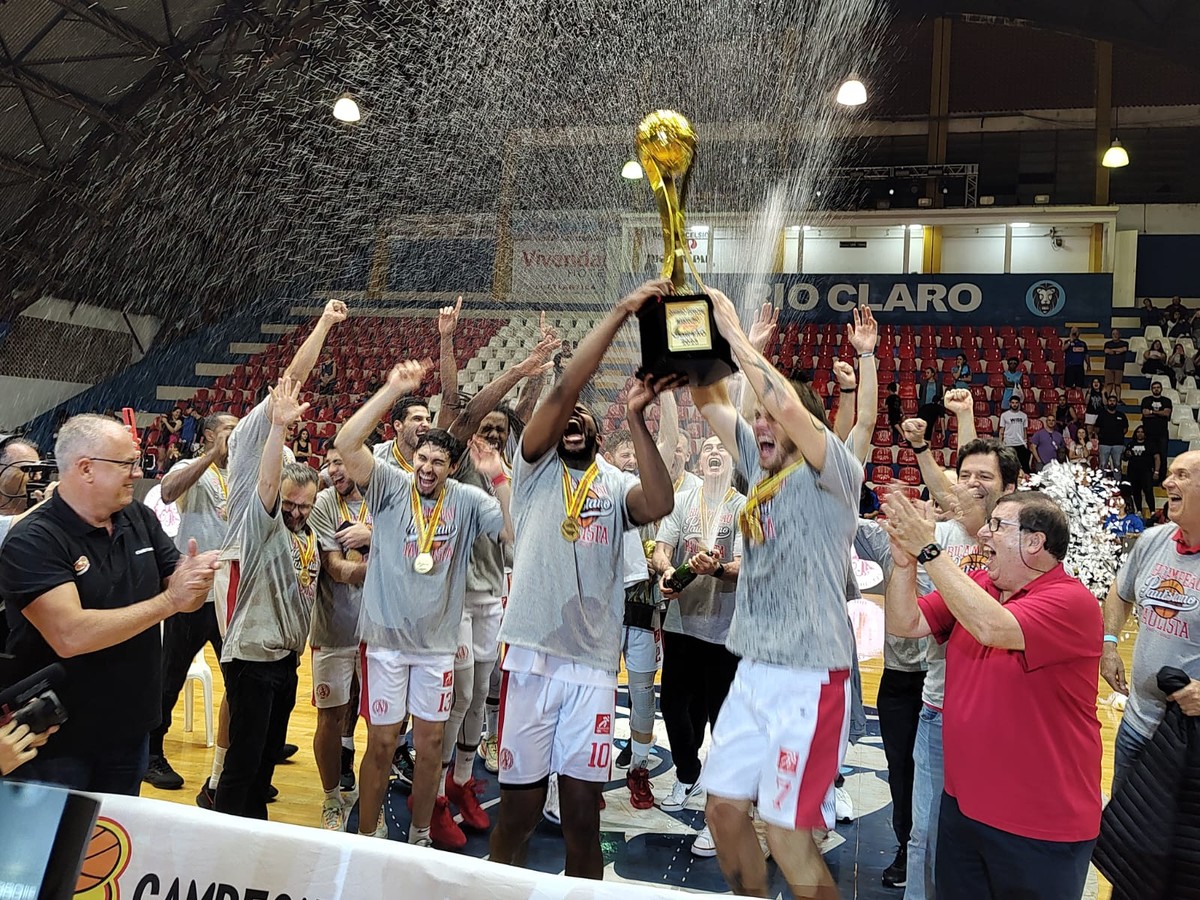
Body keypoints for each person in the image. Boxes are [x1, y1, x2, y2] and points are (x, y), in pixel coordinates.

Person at [488, 279, 676, 879]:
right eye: (568, 413)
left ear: (598, 434)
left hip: (593, 664)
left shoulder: (615, 486)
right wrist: (621, 311)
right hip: (531, 657)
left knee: (582, 821)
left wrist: (641, 422)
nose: (573, 419)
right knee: (515, 814)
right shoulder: (535, 466)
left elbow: (661, 501)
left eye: (586, 419)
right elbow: (567, 386)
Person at [687, 292, 862, 900]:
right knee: (723, 813)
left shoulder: (833, 473)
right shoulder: (758, 468)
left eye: (768, 416)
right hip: (755, 670)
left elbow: (786, 402)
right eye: (756, 416)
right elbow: (708, 399)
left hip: (809, 679)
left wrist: (739, 337)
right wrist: (698, 336)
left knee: (788, 836)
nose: (760, 423)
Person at [882, 490, 1102, 900]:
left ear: (1035, 543)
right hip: (964, 809)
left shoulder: (1073, 602)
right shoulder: (982, 584)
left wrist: (929, 549)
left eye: (998, 526)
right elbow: (904, 622)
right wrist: (904, 563)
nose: (983, 532)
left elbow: (992, 627)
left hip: (1038, 825)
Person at [336, 362, 512, 848]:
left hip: (436, 646)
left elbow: (514, 535)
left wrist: (497, 476)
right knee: (383, 743)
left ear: (452, 467)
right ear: (413, 457)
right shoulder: (390, 485)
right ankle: (367, 838)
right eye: (423, 459)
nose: (428, 468)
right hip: (387, 643)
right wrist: (391, 387)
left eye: (438, 462)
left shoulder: (466, 500)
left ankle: (419, 836)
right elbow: (348, 443)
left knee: (432, 743)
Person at [0, 414, 219, 793]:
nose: (137, 473)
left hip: (130, 729)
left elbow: (184, 597)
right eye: (127, 464)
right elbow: (70, 634)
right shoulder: (33, 540)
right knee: (56, 849)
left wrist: (196, 580)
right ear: (86, 468)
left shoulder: (137, 517)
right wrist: (169, 600)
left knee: (110, 847)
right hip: (56, 739)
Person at [214, 377, 322, 820]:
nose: (296, 511)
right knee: (243, 764)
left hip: (285, 662)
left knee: (265, 761)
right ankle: (231, 834)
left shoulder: (311, 534)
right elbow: (266, 481)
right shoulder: (265, 525)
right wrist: (278, 428)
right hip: (253, 659)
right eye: (291, 503)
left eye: (305, 504)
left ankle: (255, 828)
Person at [653, 435, 745, 857]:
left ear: (731, 459)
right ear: (698, 458)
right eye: (707, 446)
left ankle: (720, 807)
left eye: (721, 447)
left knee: (720, 720)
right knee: (672, 705)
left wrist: (721, 568)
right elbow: (660, 548)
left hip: (725, 632)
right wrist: (669, 571)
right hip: (682, 624)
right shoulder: (683, 501)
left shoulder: (743, 507)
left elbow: (748, 566)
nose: (713, 451)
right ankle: (688, 772)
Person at [145, 412, 238, 791]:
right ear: (211, 434)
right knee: (171, 678)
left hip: (231, 592)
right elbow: (167, 492)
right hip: (197, 593)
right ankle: (151, 753)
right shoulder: (191, 466)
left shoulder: (241, 470)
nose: (237, 435)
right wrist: (211, 454)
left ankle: (240, 753)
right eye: (230, 430)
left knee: (241, 677)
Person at [1102, 450, 1200, 791]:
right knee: (1119, 832)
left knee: (1179, 840)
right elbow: (1119, 590)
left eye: (1182, 475)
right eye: (1170, 472)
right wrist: (1110, 644)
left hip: (1188, 740)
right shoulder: (1153, 540)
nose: (1167, 481)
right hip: (1135, 725)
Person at [307, 445, 371, 831]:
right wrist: (390, 558)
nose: (336, 468)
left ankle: (370, 795)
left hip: (380, 631)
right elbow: (334, 568)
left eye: (343, 460)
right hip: (334, 628)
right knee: (329, 718)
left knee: (379, 721)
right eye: (330, 461)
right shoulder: (324, 504)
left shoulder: (384, 494)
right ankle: (331, 798)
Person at [1140, 381, 1173, 484]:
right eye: (1154, 387)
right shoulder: (1146, 400)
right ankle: (1149, 478)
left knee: (1163, 456)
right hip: (1148, 433)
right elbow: (1145, 413)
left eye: (1158, 387)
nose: (1156, 389)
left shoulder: (1166, 401)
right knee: (1148, 456)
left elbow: (1166, 413)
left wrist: (1152, 412)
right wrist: (1159, 413)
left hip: (1162, 434)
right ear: (1151, 389)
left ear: (1161, 389)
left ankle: (1162, 479)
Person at [1123, 425, 1157, 517]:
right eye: (1138, 432)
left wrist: (1156, 471)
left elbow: (1157, 457)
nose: (1140, 434)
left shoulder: (1150, 444)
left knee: (1148, 491)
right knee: (1136, 492)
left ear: (1145, 434)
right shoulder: (1131, 444)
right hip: (1133, 472)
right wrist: (1127, 454)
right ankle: (1138, 511)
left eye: (1142, 432)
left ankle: (1152, 511)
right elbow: (1125, 458)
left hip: (1146, 472)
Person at [1096, 394, 1129, 473]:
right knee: (1102, 465)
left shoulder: (1121, 415)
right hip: (1104, 443)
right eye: (1110, 401)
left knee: (1117, 465)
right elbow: (1096, 428)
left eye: (1114, 401)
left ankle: (1117, 483)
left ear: (1116, 403)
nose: (1112, 403)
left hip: (1118, 444)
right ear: (1107, 402)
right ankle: (1101, 483)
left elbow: (1125, 429)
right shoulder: (1102, 414)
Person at [998, 396, 1030, 474]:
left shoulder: (1024, 415)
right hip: (1008, 443)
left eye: (1016, 403)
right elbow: (1001, 429)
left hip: (1020, 443)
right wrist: (1000, 442)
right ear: (1009, 403)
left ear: (1019, 404)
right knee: (1008, 465)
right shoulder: (1004, 415)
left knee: (1023, 465)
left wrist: (1025, 441)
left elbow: (1025, 429)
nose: (1014, 404)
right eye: (1013, 403)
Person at [917, 367, 943, 441]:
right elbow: (920, 394)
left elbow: (940, 394)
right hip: (925, 406)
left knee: (932, 424)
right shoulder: (923, 383)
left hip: (934, 406)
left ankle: (932, 440)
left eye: (928, 373)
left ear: (932, 374)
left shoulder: (938, 384)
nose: (926, 374)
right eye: (926, 373)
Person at [1104, 329, 1129, 400]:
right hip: (1108, 366)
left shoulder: (1124, 343)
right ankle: (1107, 399)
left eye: (1116, 334)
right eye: (1113, 334)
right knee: (1109, 384)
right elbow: (1106, 351)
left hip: (1119, 367)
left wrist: (1112, 351)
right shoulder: (1107, 344)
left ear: (1119, 335)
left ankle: (1118, 399)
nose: (1114, 335)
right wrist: (1117, 351)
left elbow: (1124, 349)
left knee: (1117, 384)